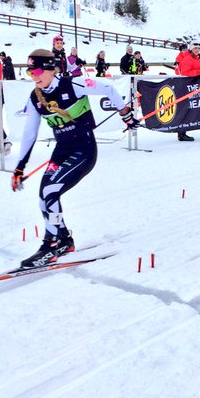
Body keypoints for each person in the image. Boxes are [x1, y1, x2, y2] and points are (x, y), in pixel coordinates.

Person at [11, 49, 140, 268]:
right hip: (62, 150)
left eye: (38, 71)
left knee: (50, 191)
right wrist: (19, 167)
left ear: (52, 69)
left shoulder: (73, 84)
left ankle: (50, 245)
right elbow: (29, 133)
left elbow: (108, 87)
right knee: (45, 196)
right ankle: (62, 239)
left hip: (84, 150)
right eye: (30, 71)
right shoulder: (36, 97)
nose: (34, 76)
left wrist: (125, 114)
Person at [175, 42, 200, 141]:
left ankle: (184, 130)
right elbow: (185, 72)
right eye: (195, 48)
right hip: (186, 86)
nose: (197, 50)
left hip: (194, 86)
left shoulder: (197, 59)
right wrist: (199, 72)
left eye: (198, 48)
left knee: (191, 108)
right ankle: (181, 133)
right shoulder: (188, 59)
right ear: (191, 49)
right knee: (184, 109)